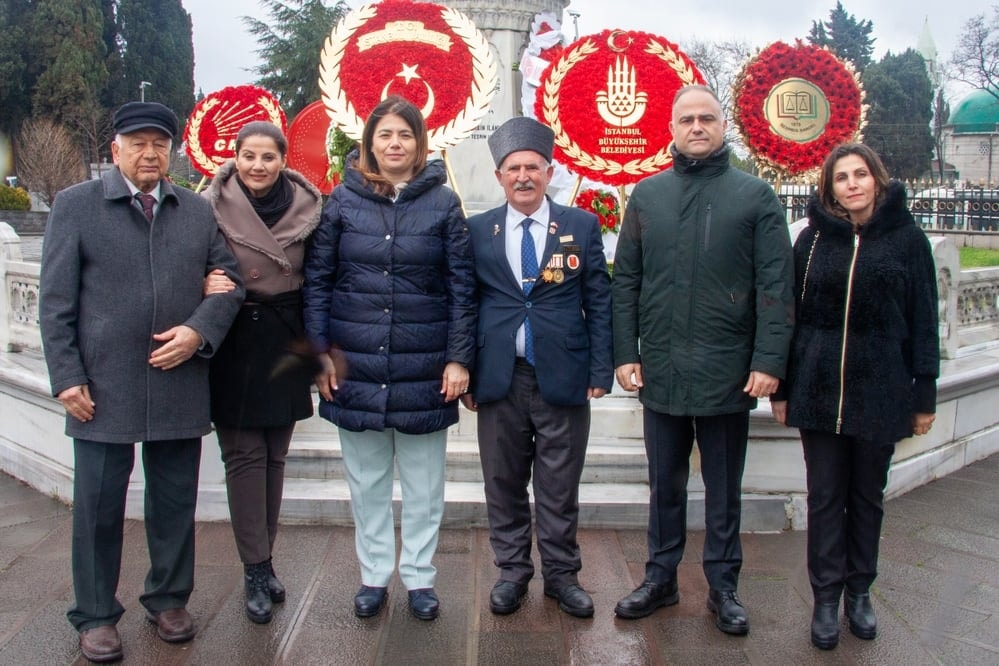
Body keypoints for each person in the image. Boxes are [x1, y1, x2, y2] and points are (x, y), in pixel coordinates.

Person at [39, 101, 244, 663]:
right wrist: (67, 377)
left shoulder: (195, 212)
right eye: (138, 143)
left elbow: (230, 286)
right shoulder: (75, 206)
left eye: (159, 143)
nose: (150, 153)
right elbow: (55, 304)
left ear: (171, 150)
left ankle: (169, 599)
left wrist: (197, 333)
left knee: (175, 499)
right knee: (99, 505)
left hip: (178, 377)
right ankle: (96, 615)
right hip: (102, 385)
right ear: (116, 150)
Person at [611, 84, 794, 635]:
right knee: (664, 484)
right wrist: (627, 352)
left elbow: (775, 286)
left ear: (722, 126)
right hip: (662, 369)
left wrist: (768, 361)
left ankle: (723, 586)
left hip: (728, 373)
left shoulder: (754, 197)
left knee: (722, 487)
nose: (696, 127)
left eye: (706, 118)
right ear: (671, 129)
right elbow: (626, 282)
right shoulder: (647, 196)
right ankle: (660, 578)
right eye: (686, 119)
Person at [302, 96, 476, 621]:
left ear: (420, 144)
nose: (395, 144)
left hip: (424, 367)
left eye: (405, 135)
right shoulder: (341, 202)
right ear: (369, 144)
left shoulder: (444, 204)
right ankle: (374, 574)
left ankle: (420, 577)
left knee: (424, 485)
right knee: (367, 481)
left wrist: (458, 358)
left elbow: (462, 287)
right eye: (385, 135)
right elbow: (318, 283)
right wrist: (320, 355)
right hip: (355, 365)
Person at [770, 143, 939, 650]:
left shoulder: (907, 241)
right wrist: (781, 386)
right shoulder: (813, 241)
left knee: (867, 498)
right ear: (830, 188)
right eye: (841, 177)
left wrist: (923, 394)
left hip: (880, 390)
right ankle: (825, 598)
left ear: (877, 179)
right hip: (818, 391)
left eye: (860, 174)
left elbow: (925, 320)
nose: (852, 185)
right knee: (824, 498)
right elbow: (790, 317)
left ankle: (859, 591)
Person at [460, 117, 613, 618]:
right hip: (499, 377)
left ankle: (562, 576)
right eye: (513, 169)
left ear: (549, 172)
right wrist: (463, 364)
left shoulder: (579, 225)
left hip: (562, 376)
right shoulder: (479, 229)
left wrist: (600, 369)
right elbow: (465, 302)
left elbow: (599, 299)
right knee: (502, 481)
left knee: (559, 483)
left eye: (532, 167)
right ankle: (511, 573)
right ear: (500, 176)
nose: (523, 176)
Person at [202, 121, 322, 624]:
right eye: (248, 156)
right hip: (235, 336)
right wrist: (205, 280)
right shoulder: (208, 205)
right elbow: (189, 259)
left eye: (268, 157)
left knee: (275, 456)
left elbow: (319, 275)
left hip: (287, 336)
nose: (257, 166)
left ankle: (266, 560)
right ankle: (254, 568)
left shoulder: (309, 206)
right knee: (245, 458)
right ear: (235, 158)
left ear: (283, 159)